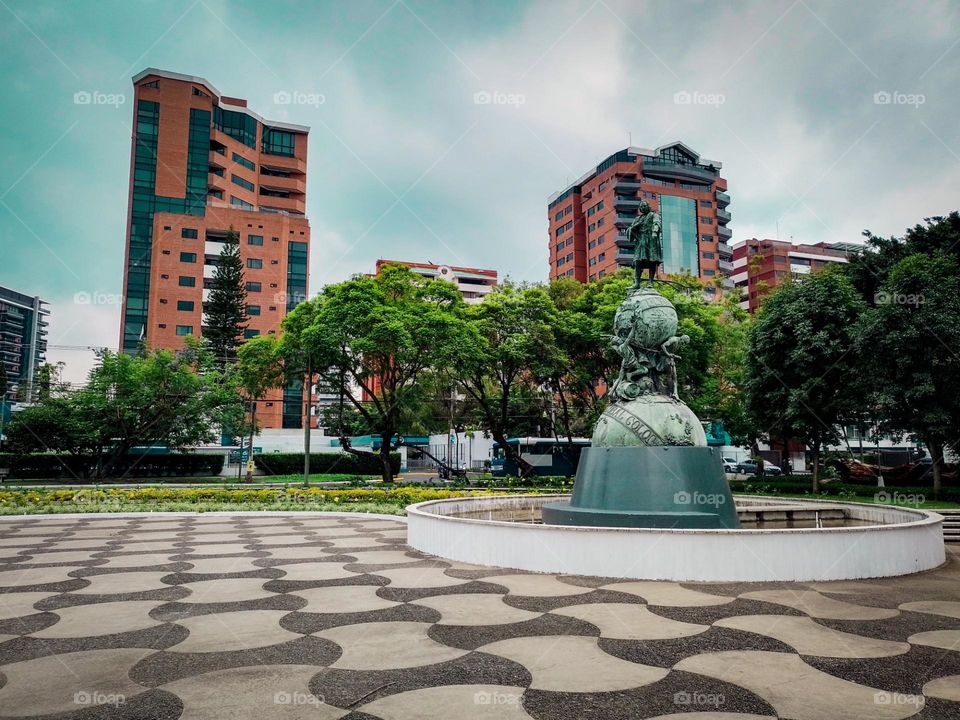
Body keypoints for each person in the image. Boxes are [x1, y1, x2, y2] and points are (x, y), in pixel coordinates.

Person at [628, 201, 663, 288]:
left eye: (644, 206)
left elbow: (657, 223)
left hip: (651, 240)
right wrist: (633, 227)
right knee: (637, 261)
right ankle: (637, 283)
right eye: (641, 207)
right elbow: (630, 229)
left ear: (648, 206)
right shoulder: (637, 219)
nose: (643, 208)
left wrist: (655, 232)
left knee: (652, 260)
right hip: (640, 241)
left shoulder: (653, 215)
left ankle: (650, 282)